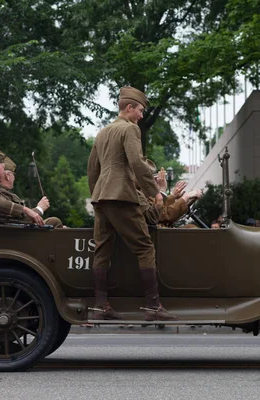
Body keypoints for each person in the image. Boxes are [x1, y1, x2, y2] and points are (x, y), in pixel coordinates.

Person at [87, 86, 176, 321]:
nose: (141, 115)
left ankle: (100, 305)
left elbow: (92, 169)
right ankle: (153, 307)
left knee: (102, 251)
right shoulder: (130, 130)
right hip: (121, 197)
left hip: (101, 198)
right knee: (145, 247)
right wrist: (154, 192)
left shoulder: (103, 132)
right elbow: (137, 163)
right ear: (129, 108)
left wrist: (96, 196)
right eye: (140, 110)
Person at [0, 148, 45, 226]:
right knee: (54, 222)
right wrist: (25, 210)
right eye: (3, 168)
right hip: (5, 234)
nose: (4, 173)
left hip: (7, 231)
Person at [0, 156, 63, 228]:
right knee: (55, 221)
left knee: (57, 224)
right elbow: (19, 220)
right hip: (16, 235)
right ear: (8, 176)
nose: (14, 178)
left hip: (13, 231)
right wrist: (40, 208)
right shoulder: (1, 195)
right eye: (13, 174)